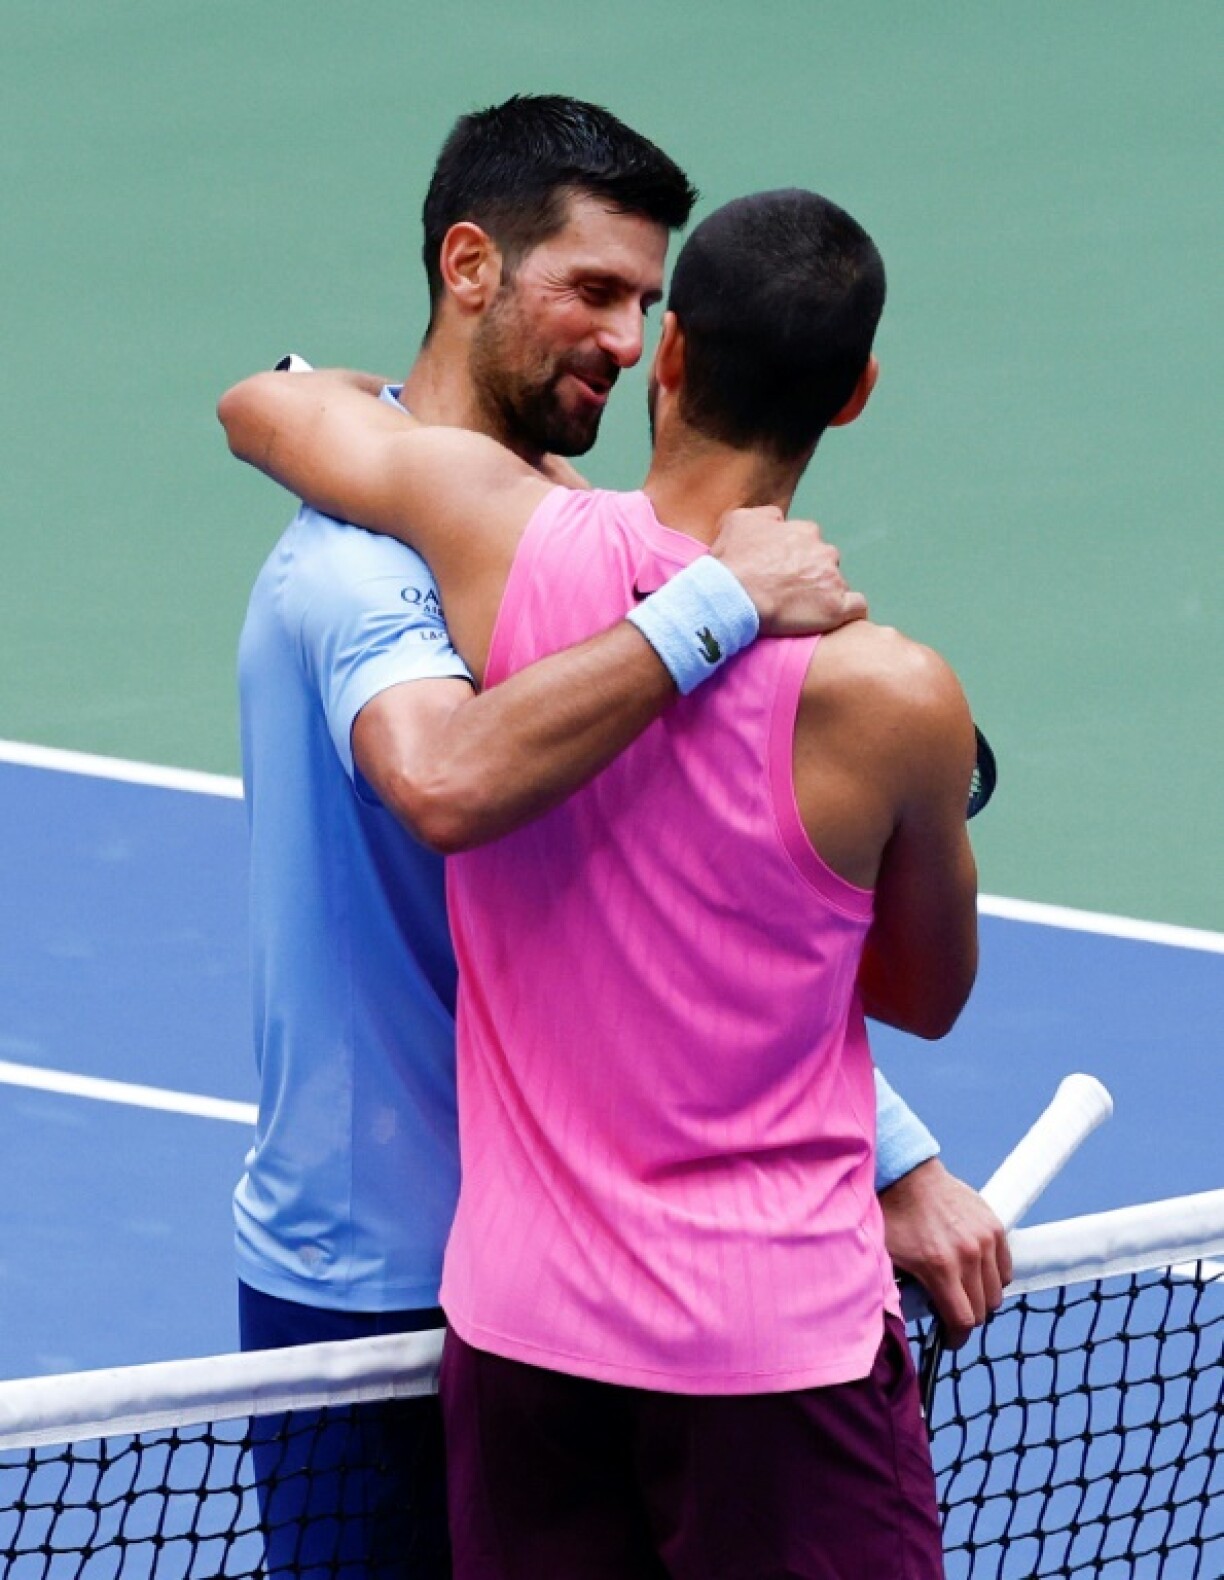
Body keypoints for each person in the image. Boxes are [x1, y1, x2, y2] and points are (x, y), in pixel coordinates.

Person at [222, 98, 1007, 1576]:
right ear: (470, 267)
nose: (630, 339)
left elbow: (682, 910)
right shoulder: (368, 572)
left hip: (520, 1307)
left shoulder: (524, 541)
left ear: (691, 353)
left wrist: (892, 1154)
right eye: (592, 291)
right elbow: (453, 788)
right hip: (377, 1274)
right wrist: (717, 608)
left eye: (651, 303)